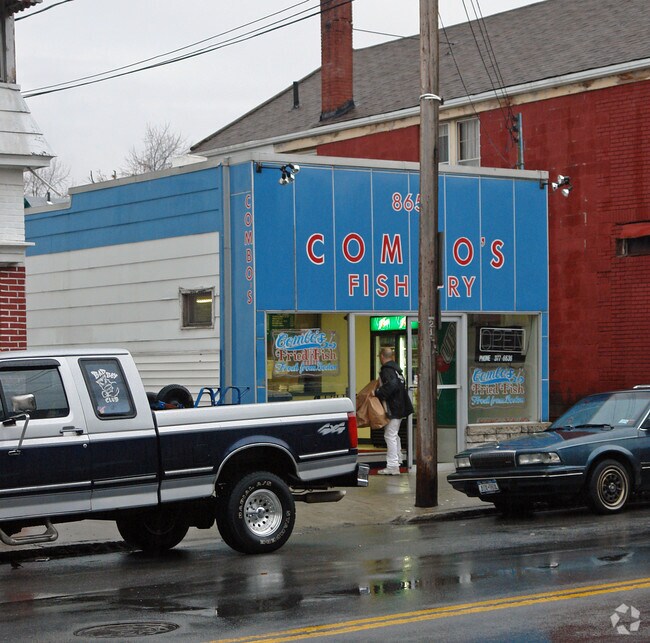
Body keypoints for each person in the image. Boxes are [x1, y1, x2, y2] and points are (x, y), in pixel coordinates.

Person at [373, 346, 414, 475]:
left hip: (394, 407)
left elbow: (392, 385)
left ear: (382, 356)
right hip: (401, 406)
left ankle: (393, 466)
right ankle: (398, 460)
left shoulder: (387, 370)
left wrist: (378, 392)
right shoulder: (397, 370)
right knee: (394, 435)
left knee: (389, 435)